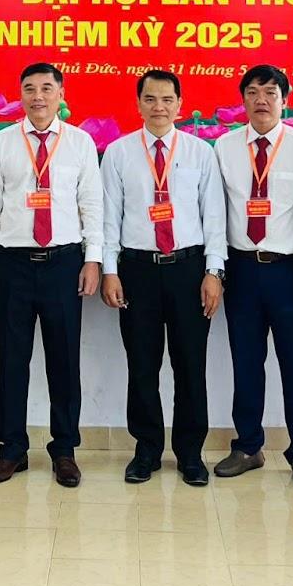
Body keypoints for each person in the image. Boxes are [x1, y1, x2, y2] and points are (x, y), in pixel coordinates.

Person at [0, 62, 103, 487]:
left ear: (61, 94)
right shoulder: (1, 143)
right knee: (12, 360)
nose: (38, 96)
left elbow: (91, 205)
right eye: (29, 88)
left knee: (64, 361)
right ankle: (11, 449)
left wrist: (93, 259)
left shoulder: (80, 143)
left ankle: (64, 449)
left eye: (47, 88)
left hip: (64, 264)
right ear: (21, 95)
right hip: (12, 264)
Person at [101, 70, 226, 486]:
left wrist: (214, 272)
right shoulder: (118, 153)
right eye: (151, 99)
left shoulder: (200, 152)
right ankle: (147, 449)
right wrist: (110, 271)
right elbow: (109, 218)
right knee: (142, 365)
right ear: (138, 103)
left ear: (180, 105)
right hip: (137, 270)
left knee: (191, 365)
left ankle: (190, 453)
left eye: (167, 99)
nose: (159, 107)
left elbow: (214, 218)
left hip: (189, 270)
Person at [212, 64, 293, 490]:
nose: (262, 100)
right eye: (253, 92)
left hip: (288, 271)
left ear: (285, 100)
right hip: (241, 269)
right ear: (243, 100)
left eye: (271, 92)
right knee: (246, 362)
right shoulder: (223, 147)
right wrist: (216, 269)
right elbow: (215, 212)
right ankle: (247, 446)